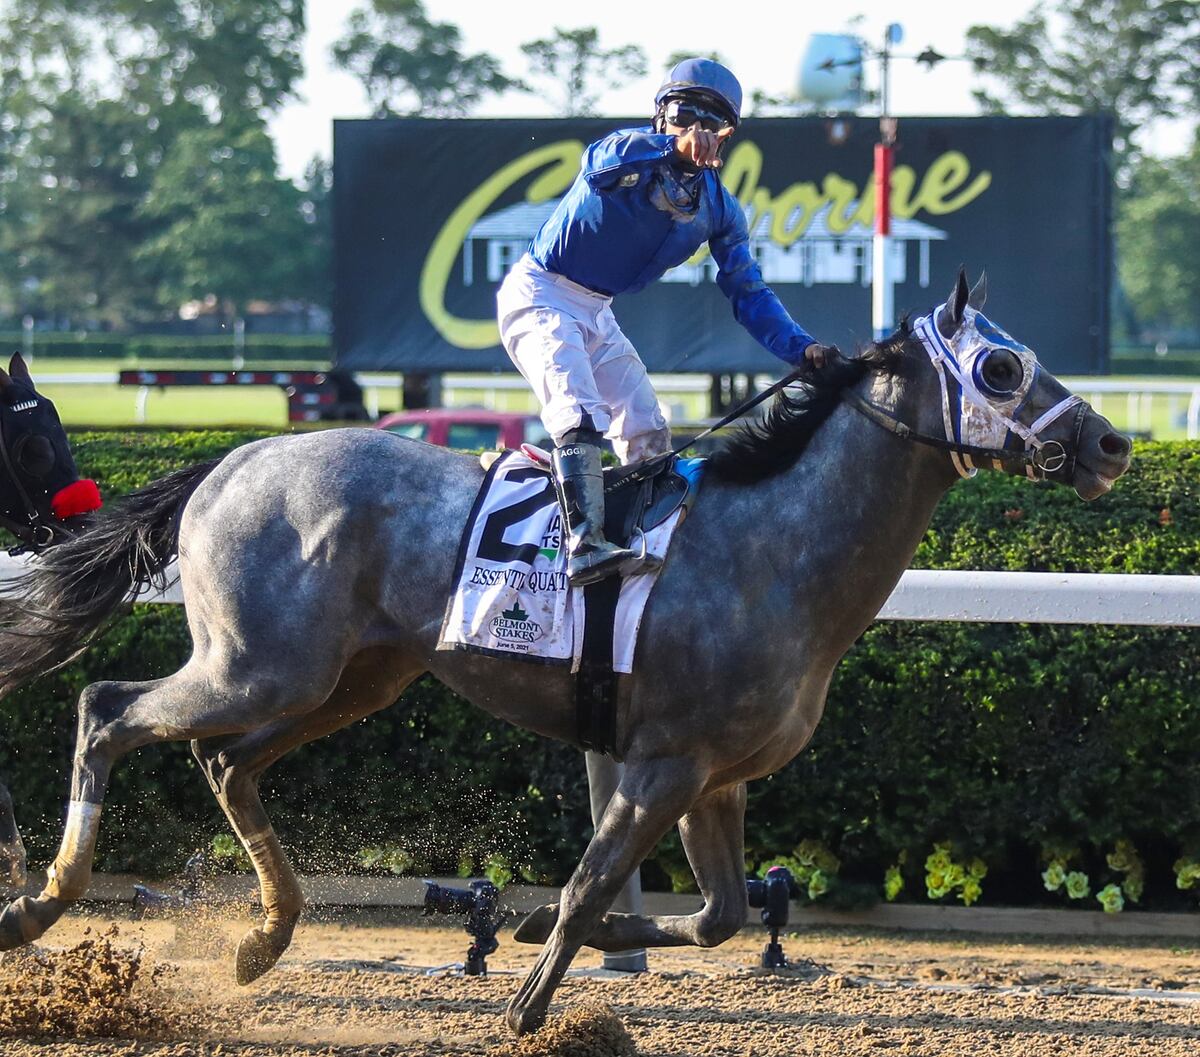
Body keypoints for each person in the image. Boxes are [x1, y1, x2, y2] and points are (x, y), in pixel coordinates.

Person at [496, 58, 838, 587]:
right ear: (660, 116)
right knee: (576, 408)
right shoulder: (624, 152)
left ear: (726, 137)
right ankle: (582, 544)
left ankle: (644, 542)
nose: (696, 129)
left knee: (647, 431)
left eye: (711, 121)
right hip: (540, 291)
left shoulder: (720, 209)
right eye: (683, 113)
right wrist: (670, 149)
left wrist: (802, 350)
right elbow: (597, 164)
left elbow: (748, 293)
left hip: (597, 310)